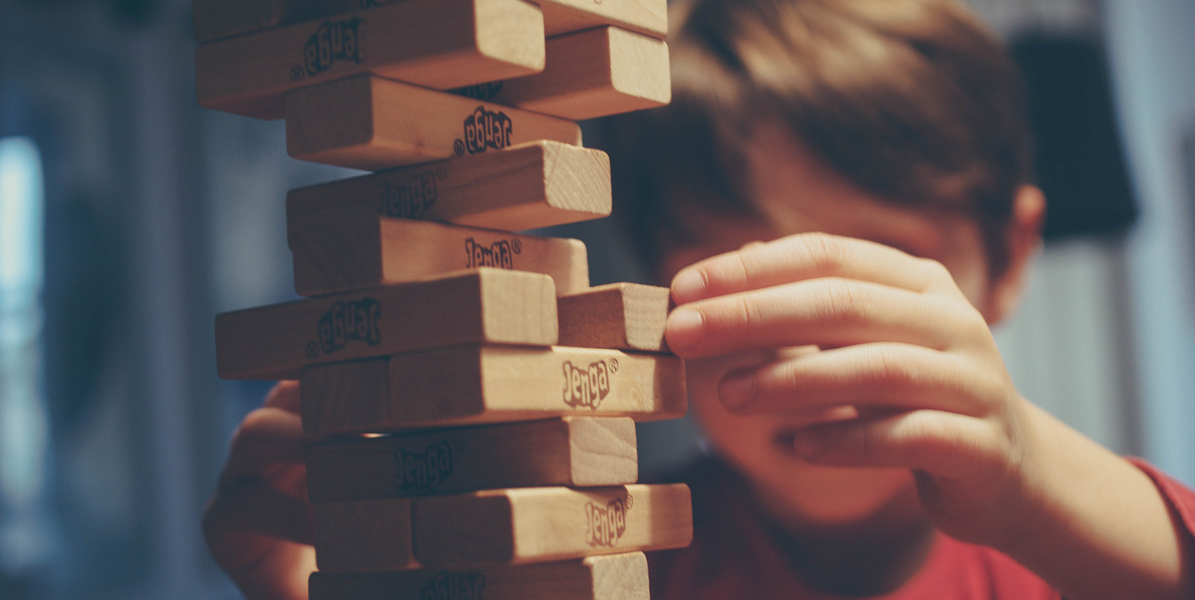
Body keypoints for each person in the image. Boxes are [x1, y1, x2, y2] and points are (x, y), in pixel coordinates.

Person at [203, 0, 1195, 598]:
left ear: (1010, 258)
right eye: (742, 281)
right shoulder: (621, 562)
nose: (812, 358)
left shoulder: (1079, 554)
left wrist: (1028, 477)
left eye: (869, 281)